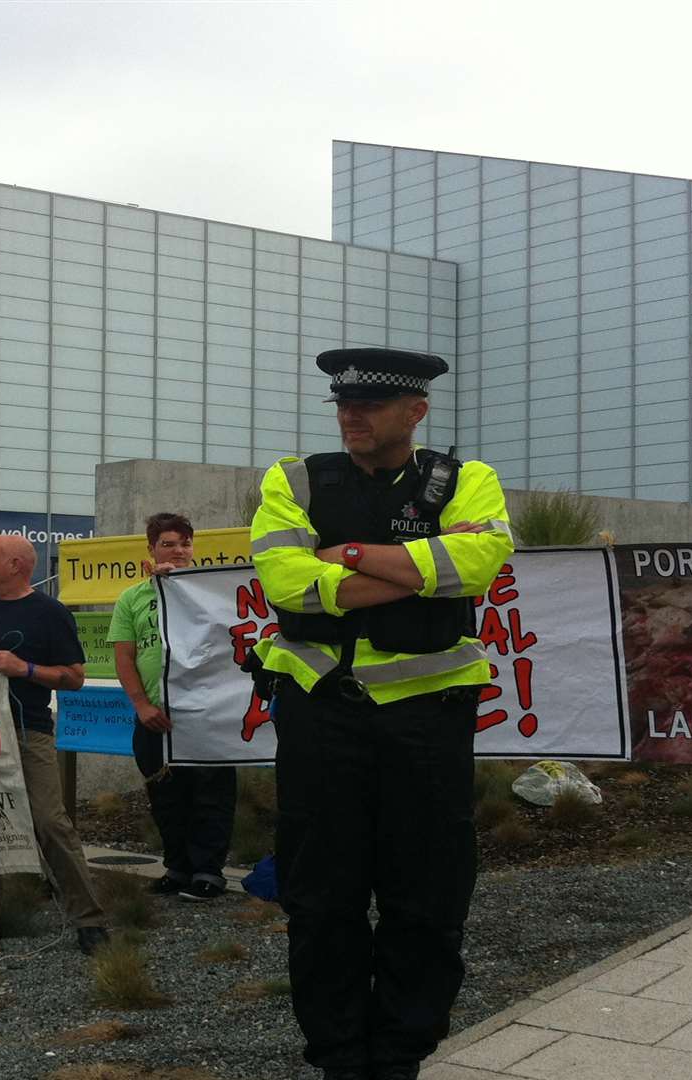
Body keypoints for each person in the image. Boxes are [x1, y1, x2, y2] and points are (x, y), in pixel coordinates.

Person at [249, 348, 513, 1080]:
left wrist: (352, 554)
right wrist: (417, 570)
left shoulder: (467, 480)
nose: (351, 415)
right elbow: (289, 584)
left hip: (428, 718)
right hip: (319, 714)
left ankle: (400, 1055)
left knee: (426, 897)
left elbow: (479, 565)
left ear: (416, 411)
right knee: (321, 898)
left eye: (369, 404)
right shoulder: (294, 479)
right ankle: (339, 1059)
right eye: (343, 403)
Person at [0, 533, 110, 955]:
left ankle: (89, 921)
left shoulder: (50, 613)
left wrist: (23, 668)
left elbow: (74, 677)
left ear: (14, 565)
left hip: (29, 732)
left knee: (49, 822)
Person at [108, 512, 237, 901]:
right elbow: (125, 657)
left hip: (207, 713)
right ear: (150, 549)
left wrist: (181, 589)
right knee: (165, 796)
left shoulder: (212, 590)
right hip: (156, 714)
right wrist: (141, 704)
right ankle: (177, 866)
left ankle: (209, 871)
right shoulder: (133, 597)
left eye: (185, 543)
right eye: (168, 544)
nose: (178, 551)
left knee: (211, 794)